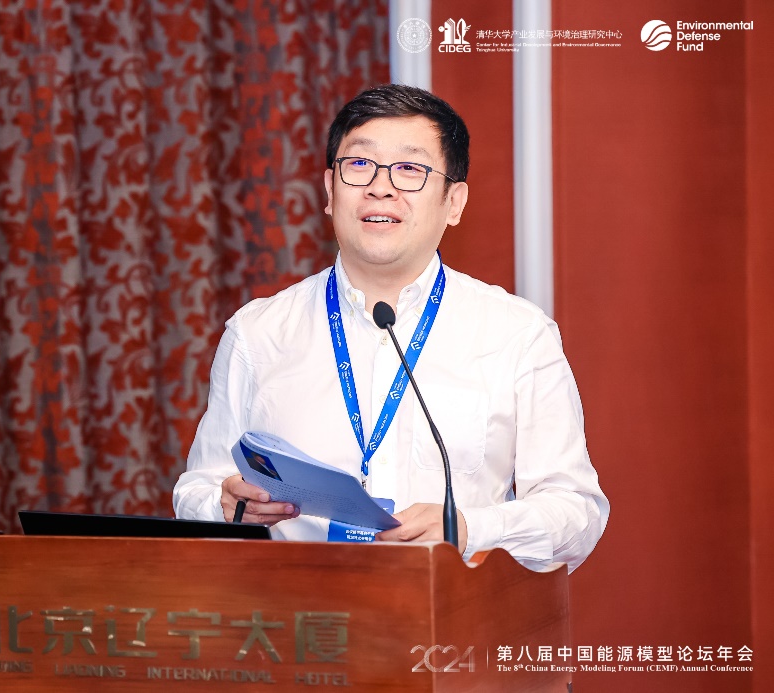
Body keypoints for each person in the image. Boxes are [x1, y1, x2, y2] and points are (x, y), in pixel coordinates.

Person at [172, 84, 608, 571]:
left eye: (410, 169)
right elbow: (197, 489)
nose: (381, 187)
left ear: (454, 202)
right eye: (360, 164)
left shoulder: (517, 334)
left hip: (450, 610)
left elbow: (576, 514)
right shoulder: (258, 333)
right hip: (298, 609)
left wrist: (467, 529)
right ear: (330, 191)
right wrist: (225, 506)